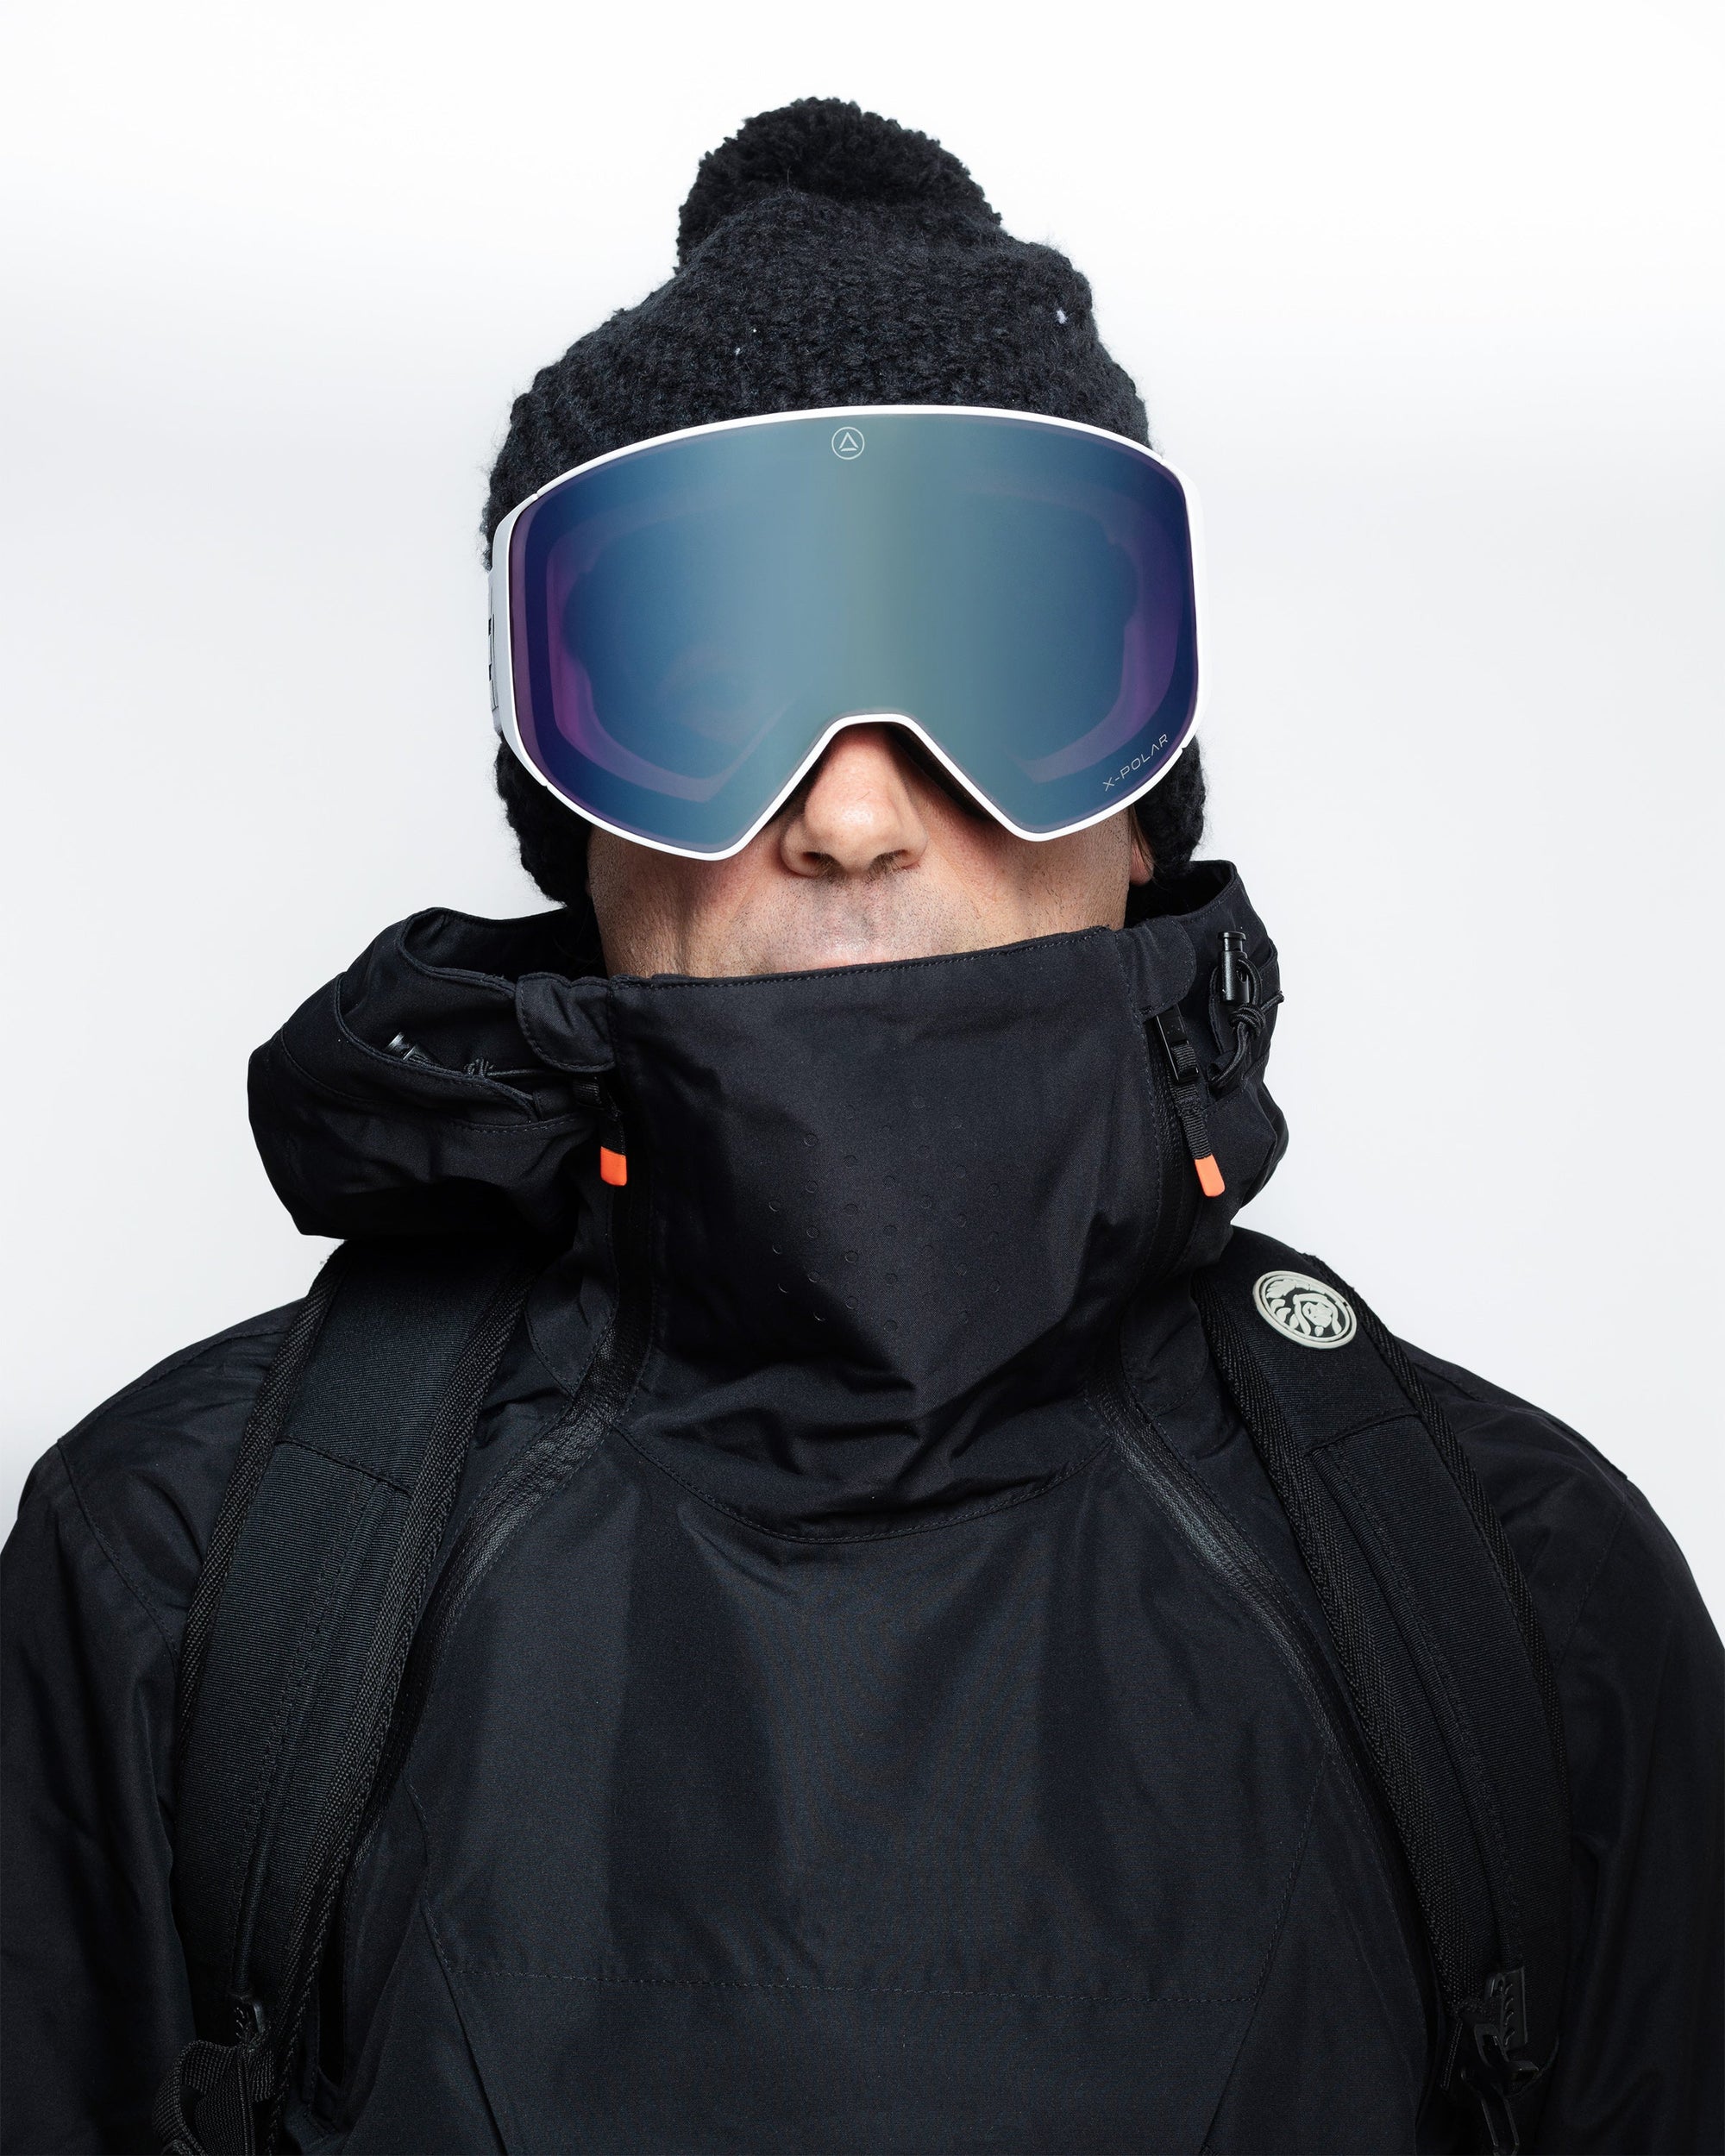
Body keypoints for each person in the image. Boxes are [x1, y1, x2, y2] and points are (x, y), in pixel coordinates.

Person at [3, 98, 1720, 2156]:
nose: (848, 809)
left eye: (995, 663)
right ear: (570, 816)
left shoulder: (1524, 1603)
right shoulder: (180, 1580)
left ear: (1146, 785)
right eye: (702, 677)